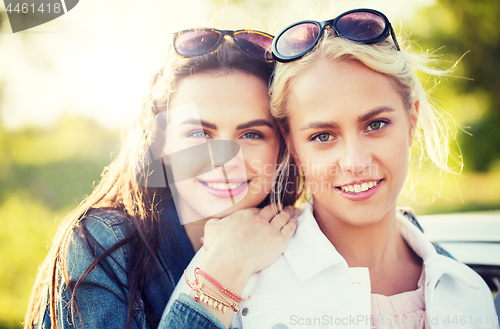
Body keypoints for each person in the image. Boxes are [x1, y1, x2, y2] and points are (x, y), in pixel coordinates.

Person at [166, 9, 499, 329]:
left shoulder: (469, 292)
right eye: (323, 136)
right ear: (291, 144)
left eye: (376, 124)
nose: (355, 162)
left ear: (411, 121)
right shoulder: (231, 275)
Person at [23, 28, 299, 329]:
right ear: (162, 145)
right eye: (198, 133)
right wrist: (224, 271)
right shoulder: (101, 245)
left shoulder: (305, 240)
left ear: (282, 148)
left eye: (251, 134)